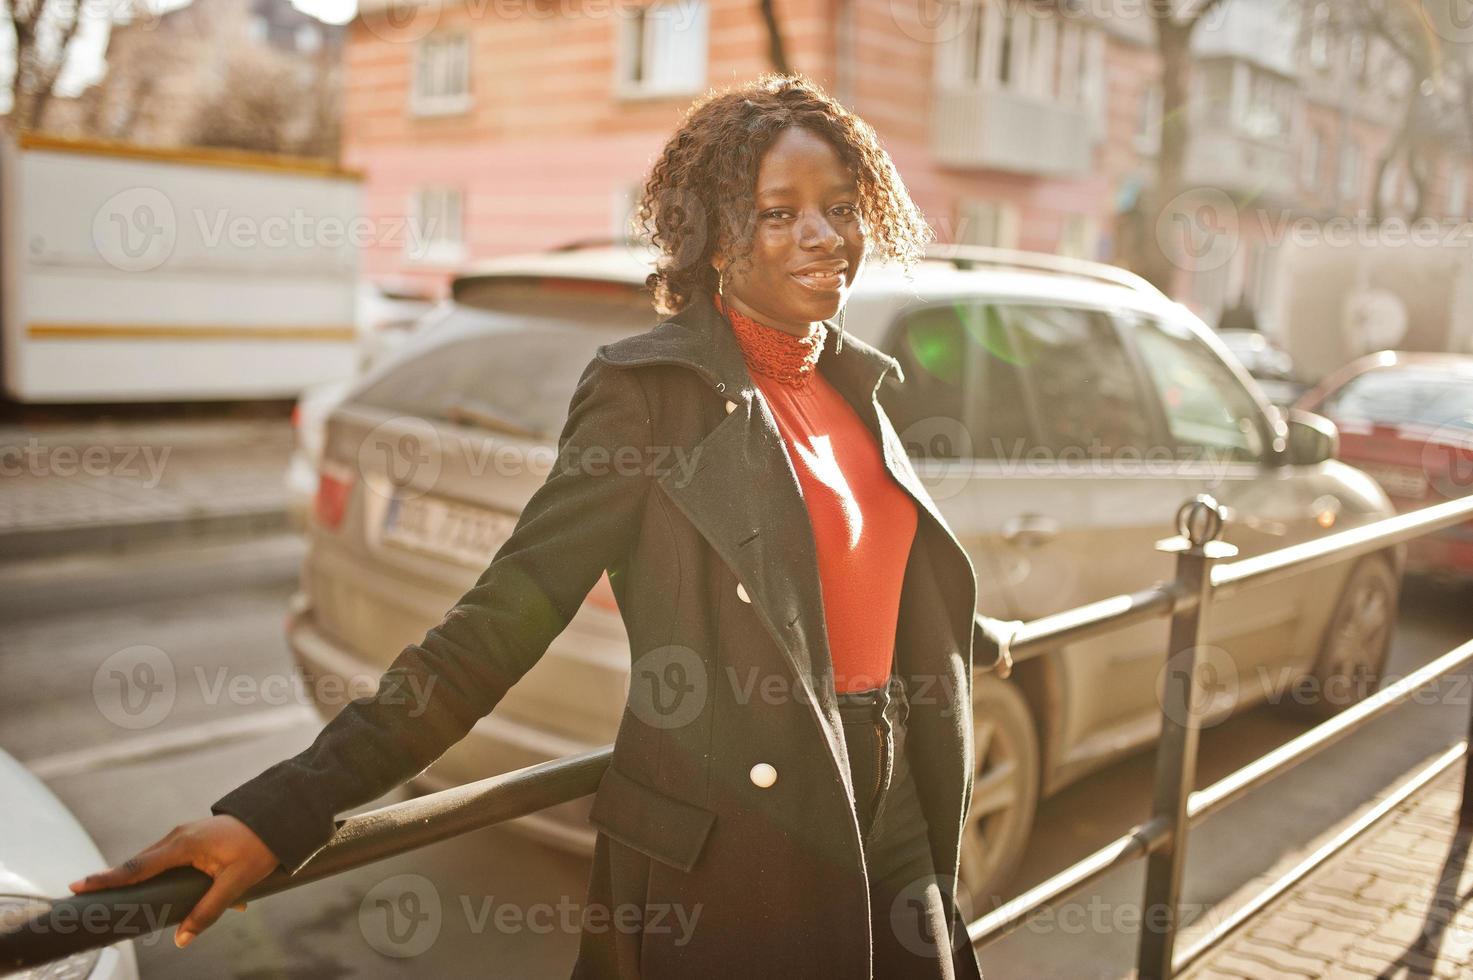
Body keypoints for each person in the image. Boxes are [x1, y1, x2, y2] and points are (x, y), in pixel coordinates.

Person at [67, 72, 987, 979]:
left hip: (896, 793)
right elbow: (500, 620)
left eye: (839, 205)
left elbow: (853, 574)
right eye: (778, 214)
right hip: (742, 848)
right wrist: (281, 811)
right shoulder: (649, 399)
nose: (824, 237)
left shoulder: (853, 382)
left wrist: (975, 635)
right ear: (713, 239)